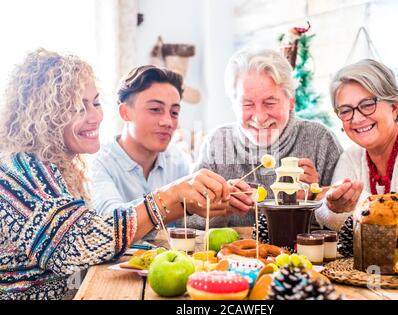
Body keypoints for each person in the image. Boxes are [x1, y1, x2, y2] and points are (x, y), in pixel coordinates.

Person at [0, 48, 230, 299]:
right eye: (79, 108)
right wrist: (171, 195)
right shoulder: (20, 172)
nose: (96, 116)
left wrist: (191, 200)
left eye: (96, 103)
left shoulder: (55, 168)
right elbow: (81, 245)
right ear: (44, 115)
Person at [188, 48, 343, 228]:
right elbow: (189, 222)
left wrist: (315, 197)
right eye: (247, 104)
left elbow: (344, 222)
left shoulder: (320, 141)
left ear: (290, 100)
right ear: (233, 104)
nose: (260, 117)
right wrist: (219, 208)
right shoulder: (216, 143)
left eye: (270, 103)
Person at [315, 59, 398, 263]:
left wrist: (351, 204)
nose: (357, 118)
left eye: (368, 105)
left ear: (394, 106)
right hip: (370, 280)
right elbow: (329, 218)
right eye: (345, 110)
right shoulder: (351, 156)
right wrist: (332, 205)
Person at [89, 65, 190, 235]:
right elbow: (111, 225)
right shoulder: (98, 164)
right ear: (125, 112)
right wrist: (171, 195)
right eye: (155, 109)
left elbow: (188, 225)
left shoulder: (177, 160)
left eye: (174, 112)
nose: (168, 122)